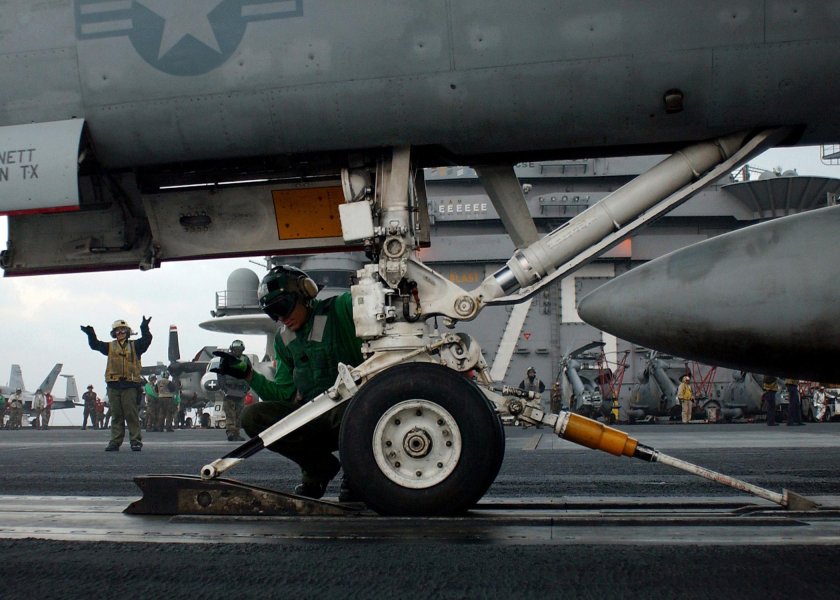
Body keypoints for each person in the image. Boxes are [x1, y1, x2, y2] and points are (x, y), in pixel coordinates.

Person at [212, 264, 364, 501]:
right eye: (274, 313)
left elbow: (366, 298)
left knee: (353, 406)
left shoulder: (339, 311)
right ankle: (318, 468)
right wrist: (247, 373)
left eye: (283, 307)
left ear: (306, 292)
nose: (281, 318)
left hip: (357, 414)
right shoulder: (285, 341)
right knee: (252, 417)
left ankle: (357, 471)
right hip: (316, 417)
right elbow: (283, 394)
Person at [81, 317, 153, 451]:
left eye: (122, 330)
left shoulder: (136, 346)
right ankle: (115, 441)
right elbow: (95, 345)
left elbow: (147, 340)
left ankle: (135, 441)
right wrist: (90, 333)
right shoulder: (110, 346)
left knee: (131, 414)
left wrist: (144, 327)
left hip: (130, 385)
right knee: (116, 415)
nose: (120, 333)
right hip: (114, 385)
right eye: (117, 331)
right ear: (114, 333)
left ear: (127, 331)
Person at [219, 340, 249, 441]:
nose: (237, 351)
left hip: (240, 391)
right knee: (230, 413)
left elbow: (249, 373)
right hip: (229, 390)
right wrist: (224, 387)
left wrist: (246, 388)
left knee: (239, 414)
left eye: (239, 349)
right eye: (235, 349)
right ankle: (231, 432)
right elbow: (221, 373)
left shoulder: (245, 359)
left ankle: (236, 433)